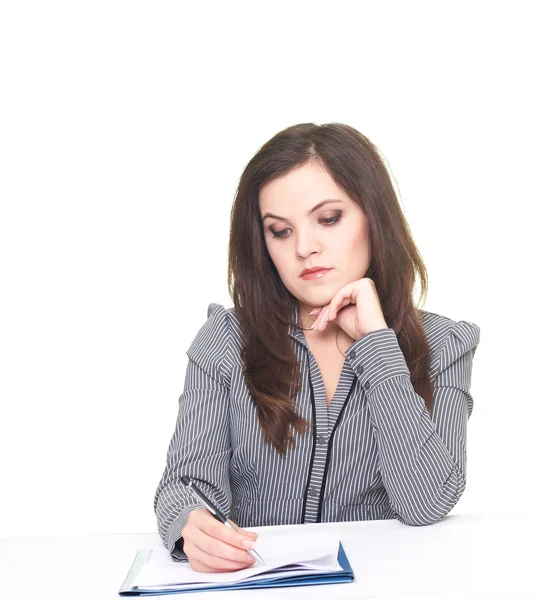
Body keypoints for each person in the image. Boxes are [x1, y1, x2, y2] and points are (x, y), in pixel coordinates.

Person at [153, 122, 481, 573]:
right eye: (280, 231)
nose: (305, 247)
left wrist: (377, 344)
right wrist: (191, 522)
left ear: (373, 217)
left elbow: (426, 502)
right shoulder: (226, 340)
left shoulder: (445, 345)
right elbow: (186, 484)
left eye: (328, 219)